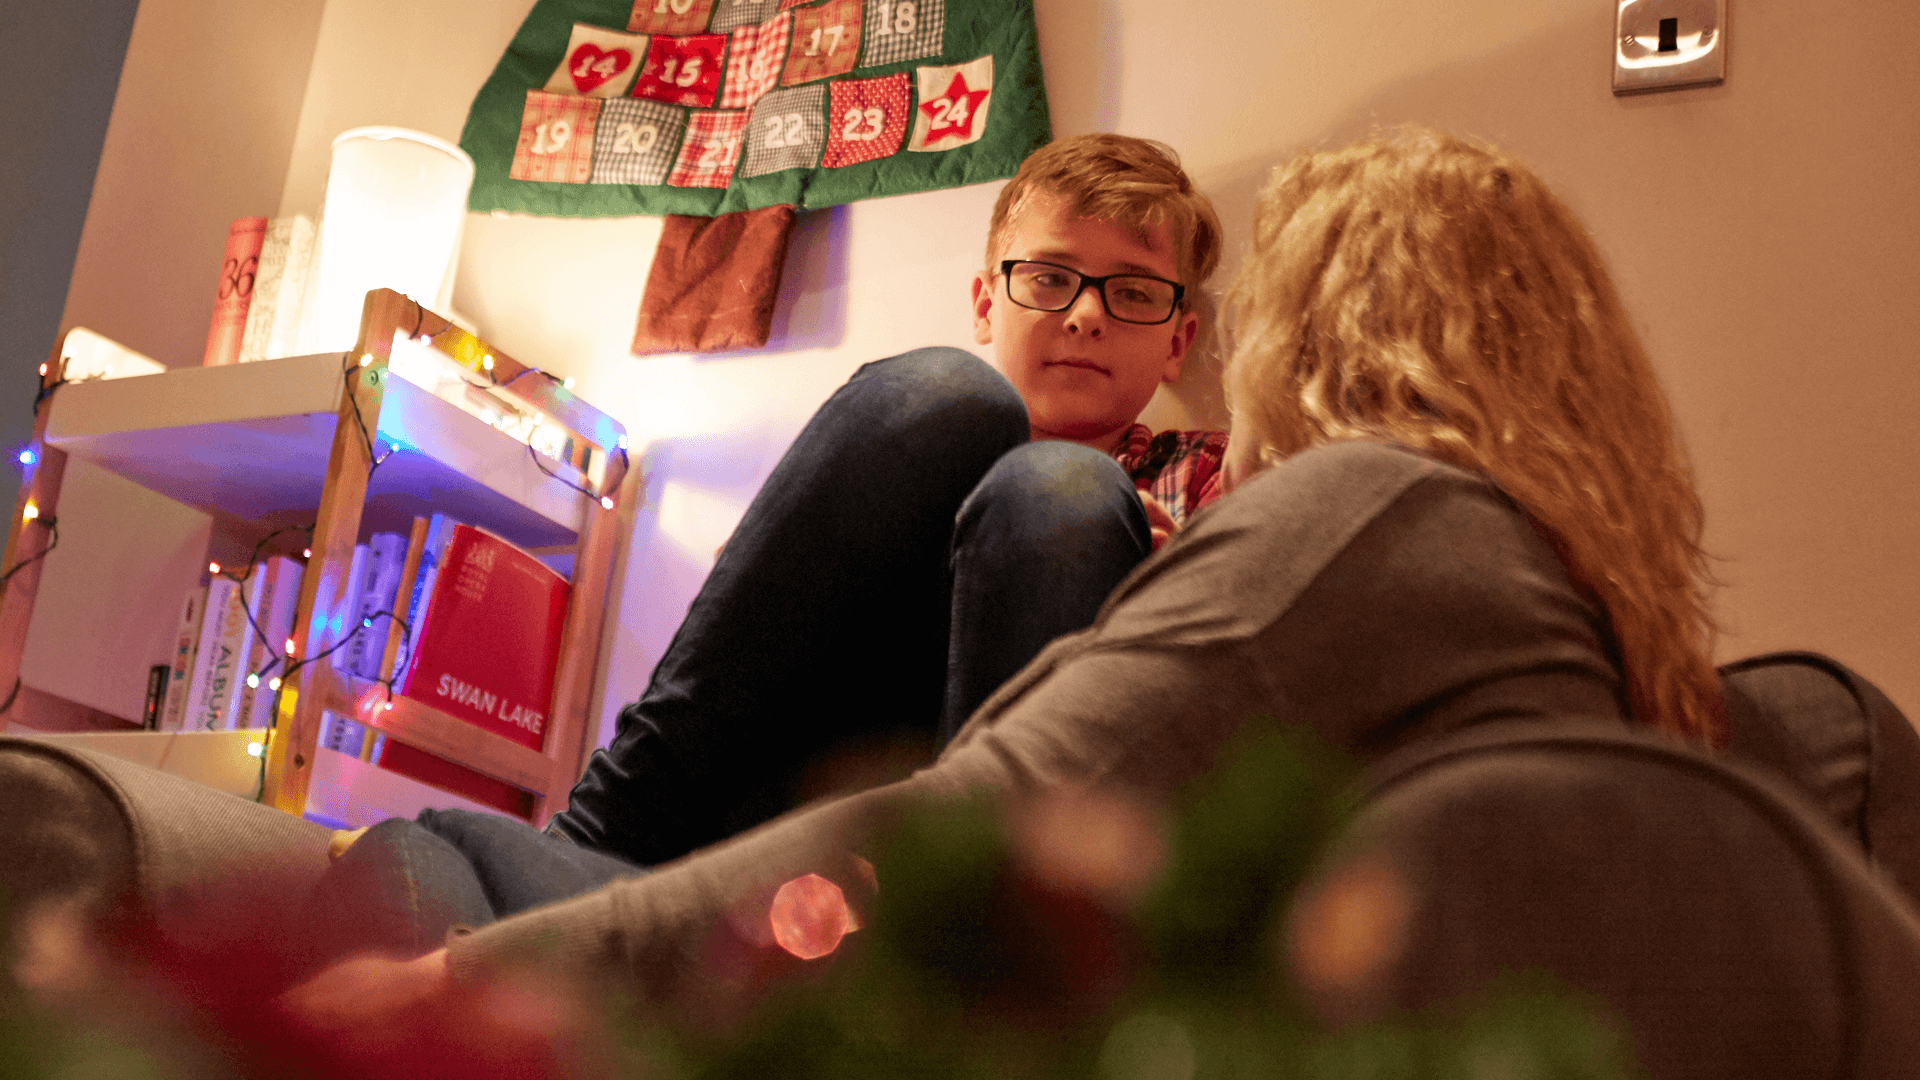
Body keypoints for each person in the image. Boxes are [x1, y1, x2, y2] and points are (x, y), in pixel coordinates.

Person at [274, 127, 1722, 1071]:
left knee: (1057, 493)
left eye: (1134, 295)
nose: (1087, 312)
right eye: (1050, 278)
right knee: (433, 853)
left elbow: (1042, 787)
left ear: (1196, 340)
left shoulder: (1311, 526)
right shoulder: (1520, 576)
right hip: (721, 857)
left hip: (934, 926)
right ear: (992, 286)